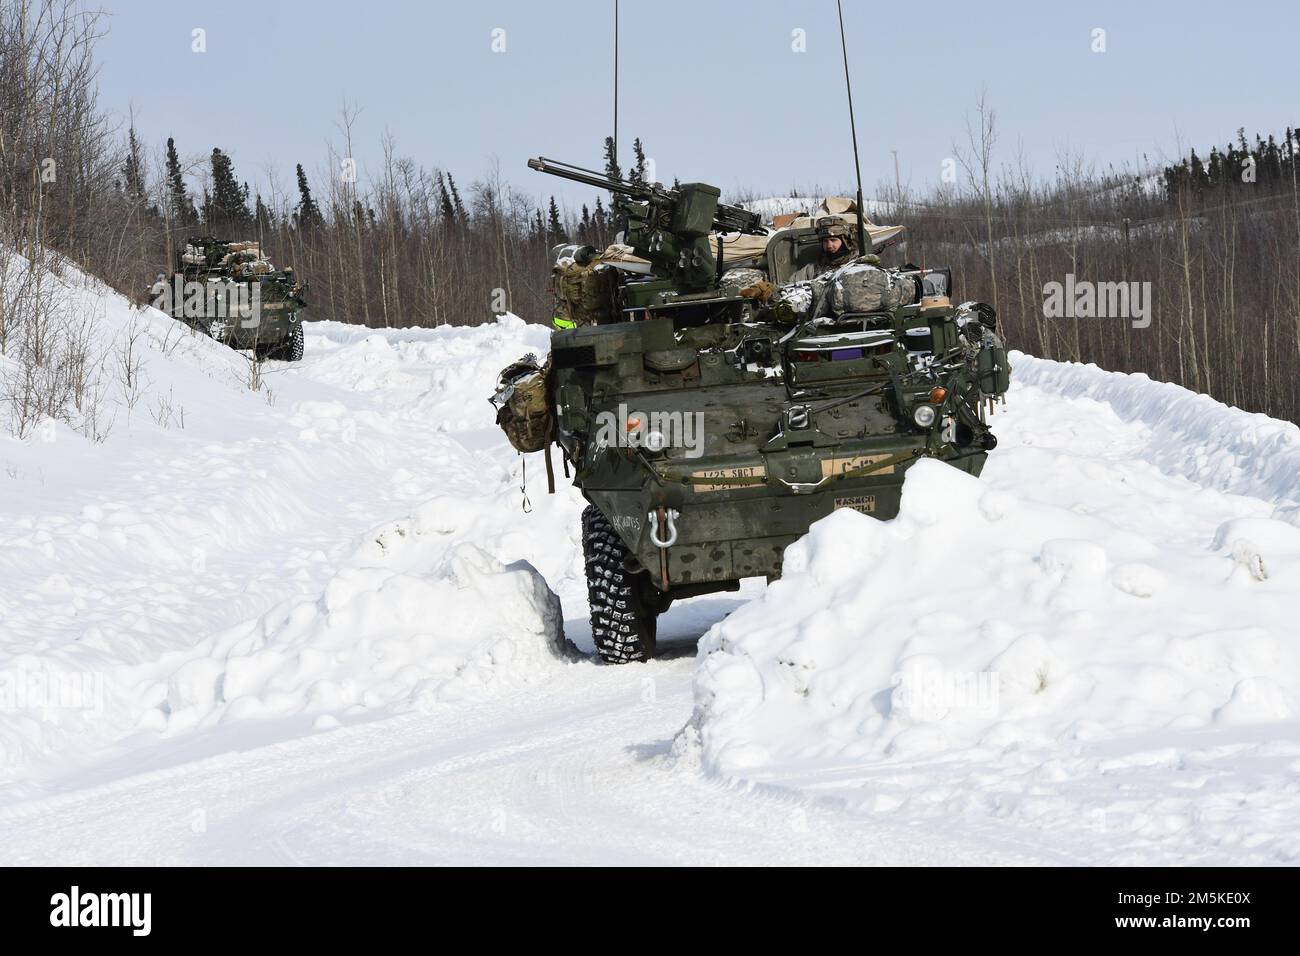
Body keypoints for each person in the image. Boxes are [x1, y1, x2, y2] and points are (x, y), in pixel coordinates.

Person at [788, 216, 859, 283]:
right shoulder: (814, 269)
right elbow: (789, 285)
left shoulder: (858, 264)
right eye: (825, 241)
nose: (829, 245)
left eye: (833, 240)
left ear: (846, 242)